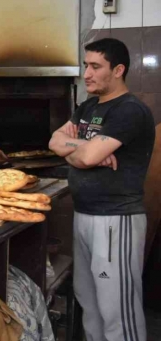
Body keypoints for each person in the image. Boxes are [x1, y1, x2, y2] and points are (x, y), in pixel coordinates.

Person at [48, 38, 154, 341]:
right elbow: (54, 141)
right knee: (89, 301)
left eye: (96, 66)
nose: (87, 73)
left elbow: (83, 155)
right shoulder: (88, 106)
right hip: (85, 216)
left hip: (115, 221)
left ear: (118, 70)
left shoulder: (130, 111)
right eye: (86, 65)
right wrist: (85, 148)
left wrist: (81, 151)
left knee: (116, 308)